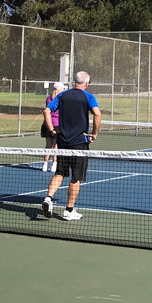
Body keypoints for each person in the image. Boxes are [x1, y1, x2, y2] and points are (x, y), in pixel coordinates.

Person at [41, 71, 101, 221]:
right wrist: (94, 134)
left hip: (62, 142)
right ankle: (69, 210)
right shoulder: (88, 96)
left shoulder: (62, 95)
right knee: (76, 177)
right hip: (79, 144)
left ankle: (48, 198)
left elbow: (46, 111)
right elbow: (97, 114)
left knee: (59, 173)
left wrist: (52, 130)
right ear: (86, 83)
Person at [41, 81, 65, 172]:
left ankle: (45, 164)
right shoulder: (62, 99)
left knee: (48, 145)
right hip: (56, 124)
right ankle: (54, 165)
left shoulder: (49, 98)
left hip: (47, 124)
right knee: (56, 146)